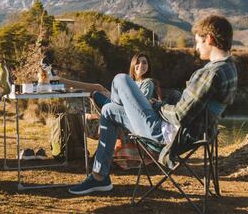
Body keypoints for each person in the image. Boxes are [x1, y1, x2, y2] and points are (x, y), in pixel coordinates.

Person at [69, 15, 238, 195]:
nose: (196, 47)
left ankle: (99, 176)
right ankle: (99, 176)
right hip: (191, 134)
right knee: (110, 111)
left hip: (167, 135)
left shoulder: (210, 73)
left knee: (121, 79)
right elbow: (191, 110)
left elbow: (180, 115)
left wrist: (158, 106)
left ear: (210, 39)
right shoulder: (230, 69)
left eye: (198, 42)